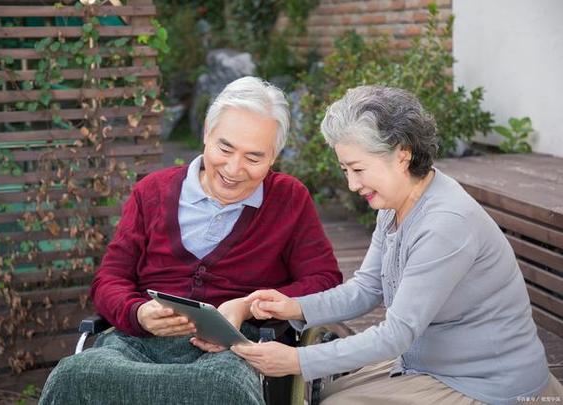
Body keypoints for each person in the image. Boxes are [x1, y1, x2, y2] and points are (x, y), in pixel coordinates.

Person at [232, 85, 563, 405]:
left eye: (359, 169)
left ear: (402, 154)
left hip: (488, 384)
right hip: (431, 364)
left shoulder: (445, 223)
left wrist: (297, 360)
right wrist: (293, 306)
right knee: (329, 392)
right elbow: (366, 288)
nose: (352, 184)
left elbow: (396, 333)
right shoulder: (395, 206)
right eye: (345, 169)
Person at [39, 76, 342, 404]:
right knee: (73, 375)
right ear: (206, 135)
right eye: (224, 148)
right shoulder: (151, 192)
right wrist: (138, 313)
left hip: (235, 349)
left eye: (254, 158)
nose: (234, 168)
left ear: (274, 157)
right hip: (137, 342)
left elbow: (324, 281)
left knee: (222, 386)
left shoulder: (288, 198)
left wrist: (246, 306)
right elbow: (110, 279)